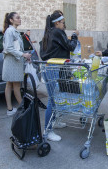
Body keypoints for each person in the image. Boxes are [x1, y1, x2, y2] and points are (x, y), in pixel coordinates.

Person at [41, 12, 78, 141]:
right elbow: (71, 47)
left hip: (50, 68)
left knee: (55, 98)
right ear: (57, 23)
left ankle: (54, 122)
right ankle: (47, 130)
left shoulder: (48, 33)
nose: (64, 25)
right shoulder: (57, 32)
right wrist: (74, 36)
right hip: (54, 68)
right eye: (63, 22)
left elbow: (43, 54)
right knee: (53, 99)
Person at [2, 12, 31, 116]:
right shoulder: (10, 31)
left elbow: (16, 48)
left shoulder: (13, 31)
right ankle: (23, 108)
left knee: (10, 84)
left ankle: (10, 109)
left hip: (13, 61)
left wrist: (24, 56)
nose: (20, 19)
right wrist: (23, 55)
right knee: (16, 85)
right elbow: (9, 48)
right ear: (11, 20)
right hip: (12, 62)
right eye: (17, 18)